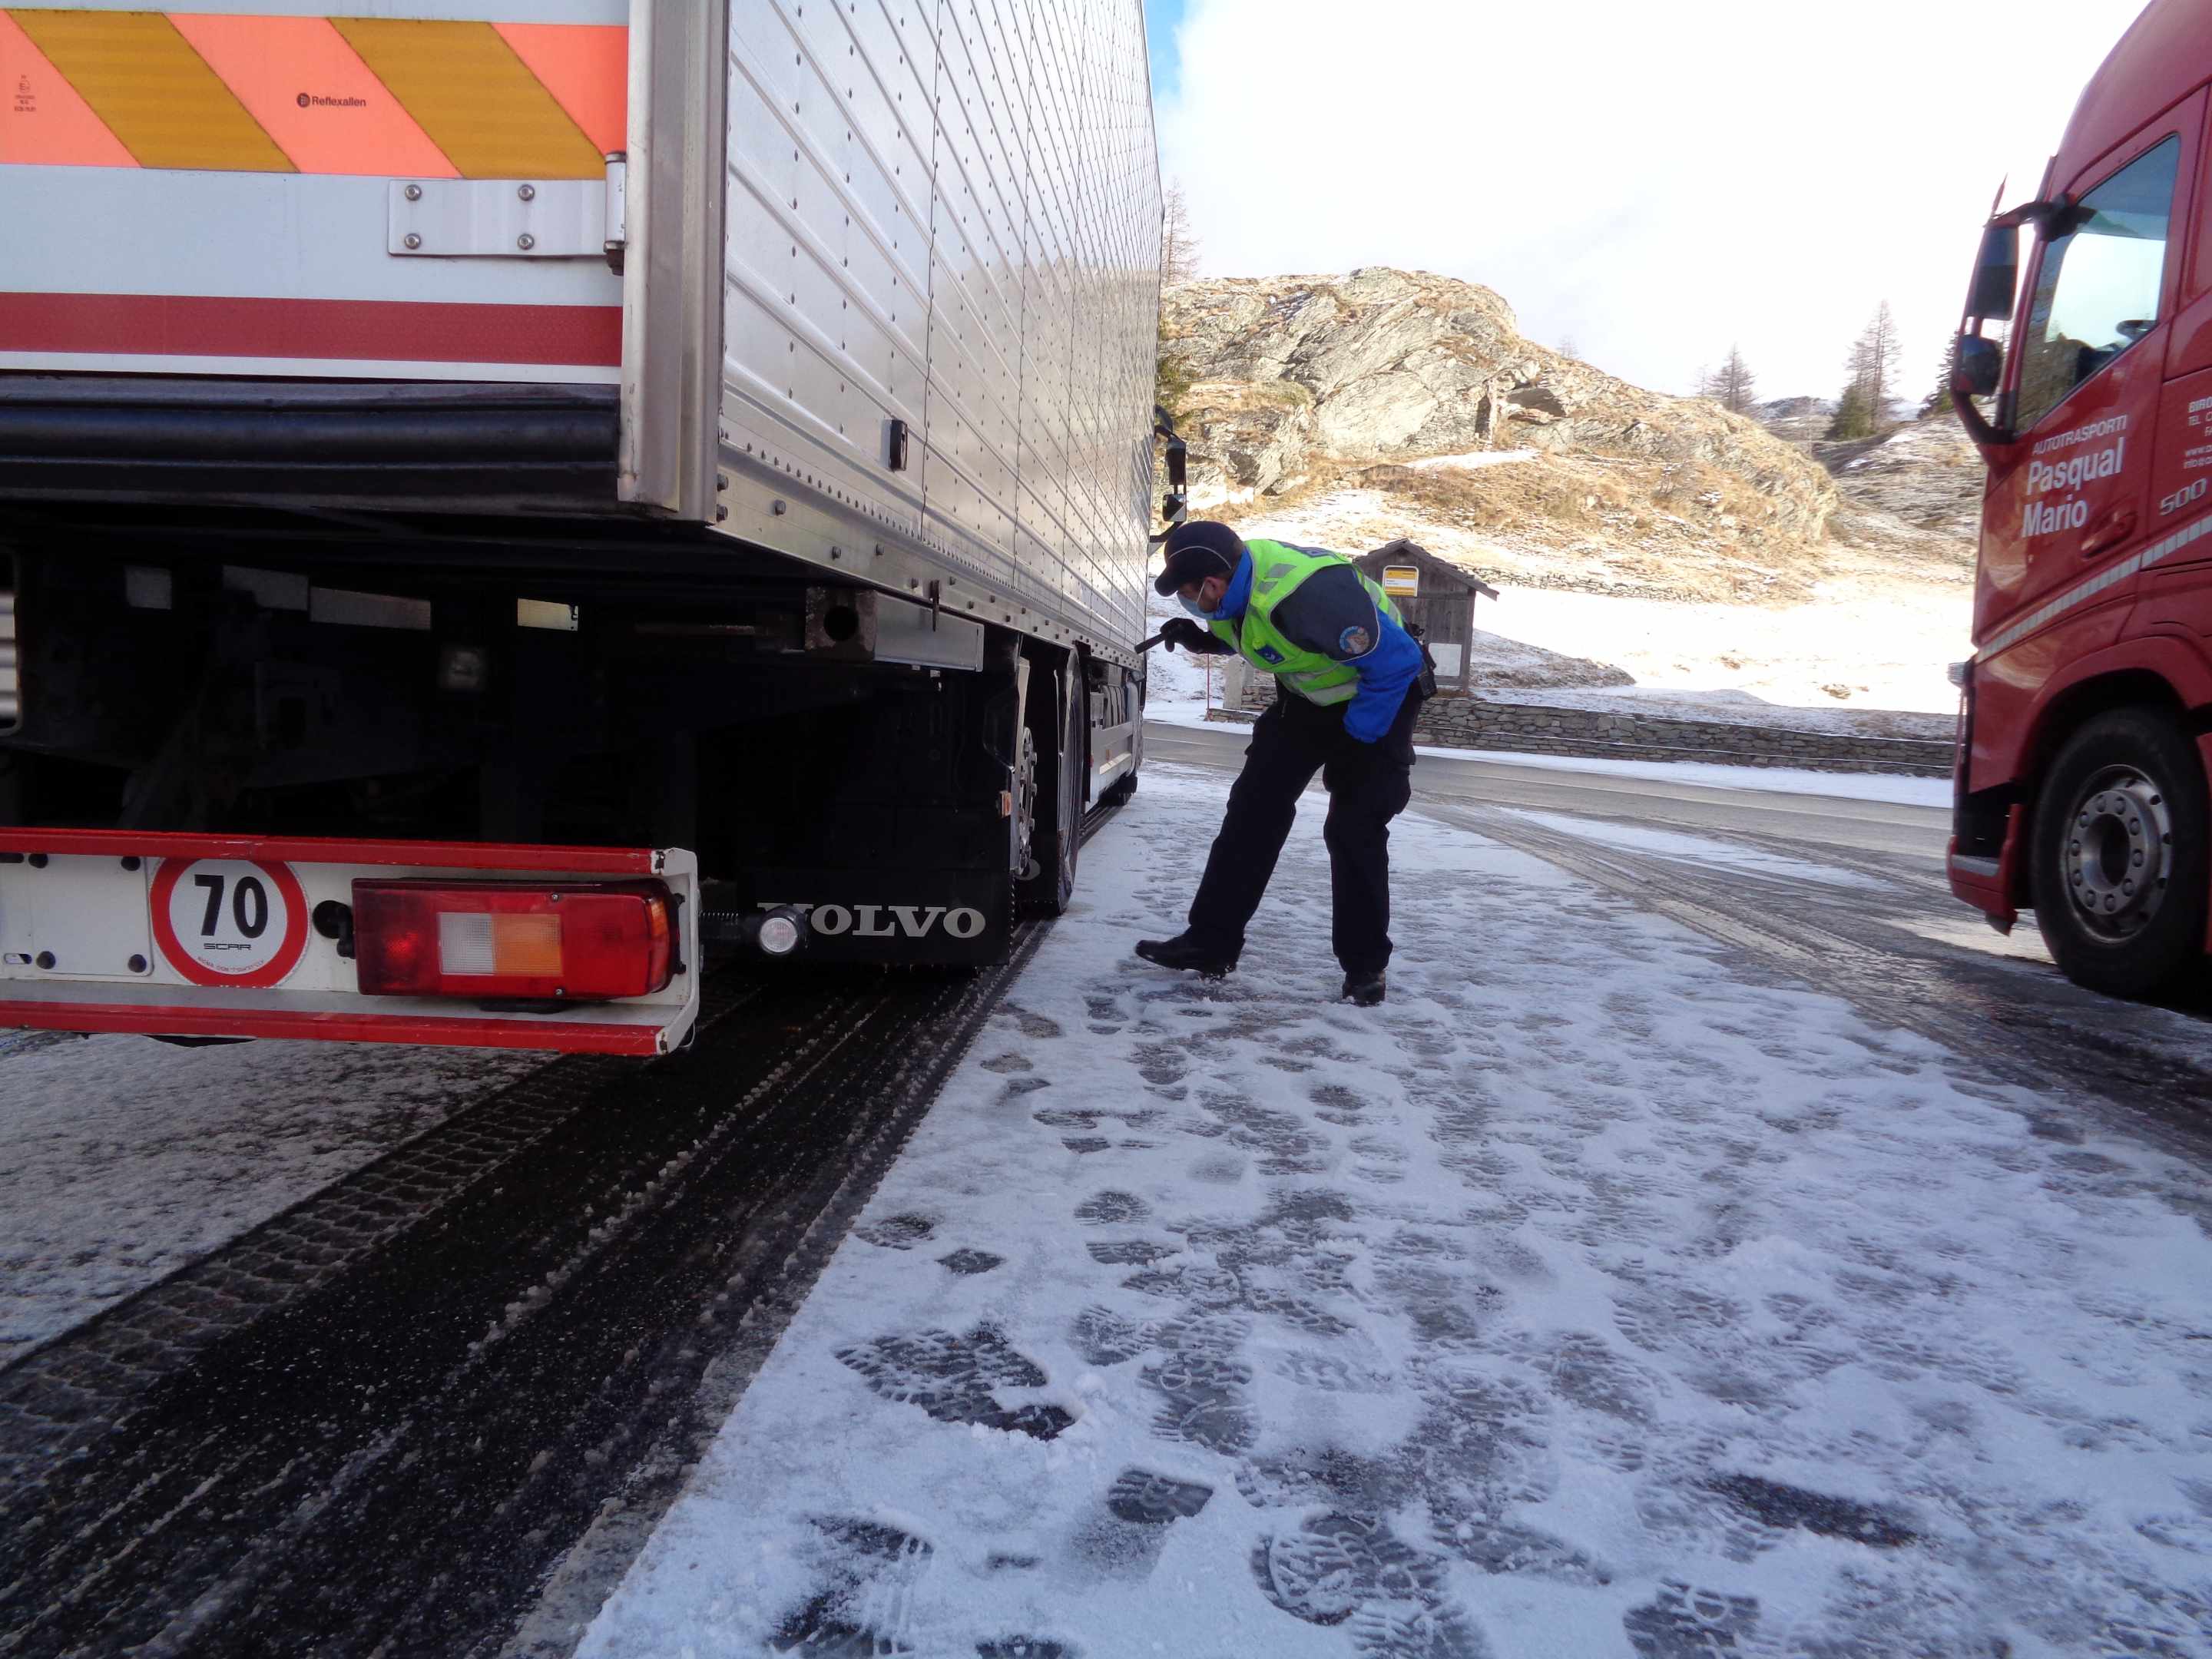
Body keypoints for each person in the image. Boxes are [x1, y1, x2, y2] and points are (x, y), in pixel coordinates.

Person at [1137, 520, 1430, 1005]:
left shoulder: (1309, 595)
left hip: (1381, 698)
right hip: (1307, 703)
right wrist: (1201, 639)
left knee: (1353, 828)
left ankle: (1365, 968)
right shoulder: (1233, 589)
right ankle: (1210, 943)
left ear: (1213, 583)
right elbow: (1261, 633)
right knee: (1253, 810)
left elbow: (1397, 662)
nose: (1189, 602)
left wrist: (1358, 736)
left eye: (1189, 594)